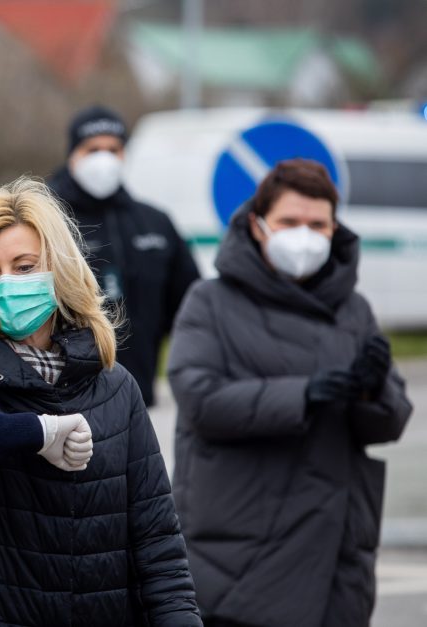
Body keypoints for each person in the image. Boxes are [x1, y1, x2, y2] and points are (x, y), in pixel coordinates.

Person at [0, 177, 202, 626]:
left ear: (59, 269)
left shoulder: (115, 387)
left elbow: (157, 542)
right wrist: (34, 432)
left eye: (24, 268)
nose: (6, 284)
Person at [167, 159, 413, 627]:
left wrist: (371, 389)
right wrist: (305, 394)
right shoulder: (210, 301)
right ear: (259, 226)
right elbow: (200, 399)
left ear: (334, 228)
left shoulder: (354, 310)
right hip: (238, 561)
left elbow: (393, 418)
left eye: (317, 224)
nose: (304, 236)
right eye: (289, 222)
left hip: (338, 558)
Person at [48, 105, 199, 406]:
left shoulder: (155, 223)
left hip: (138, 396)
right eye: (93, 149)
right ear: (73, 153)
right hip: (60, 400)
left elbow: (190, 307)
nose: (103, 159)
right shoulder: (45, 218)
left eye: (113, 149)